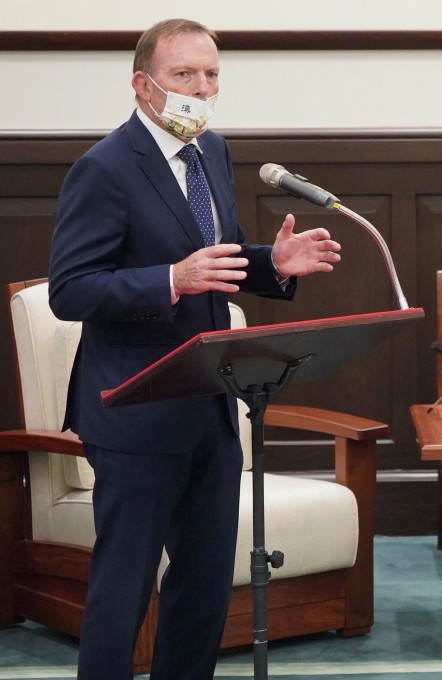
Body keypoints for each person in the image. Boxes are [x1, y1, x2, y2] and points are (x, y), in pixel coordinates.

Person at [47, 18, 342, 680]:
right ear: (143, 85)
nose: (200, 89)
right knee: (122, 593)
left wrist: (275, 265)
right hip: (135, 411)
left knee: (204, 589)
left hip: (211, 406)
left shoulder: (213, 152)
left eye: (211, 75)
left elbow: (222, 260)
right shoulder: (104, 169)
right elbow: (71, 290)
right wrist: (169, 279)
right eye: (184, 75)